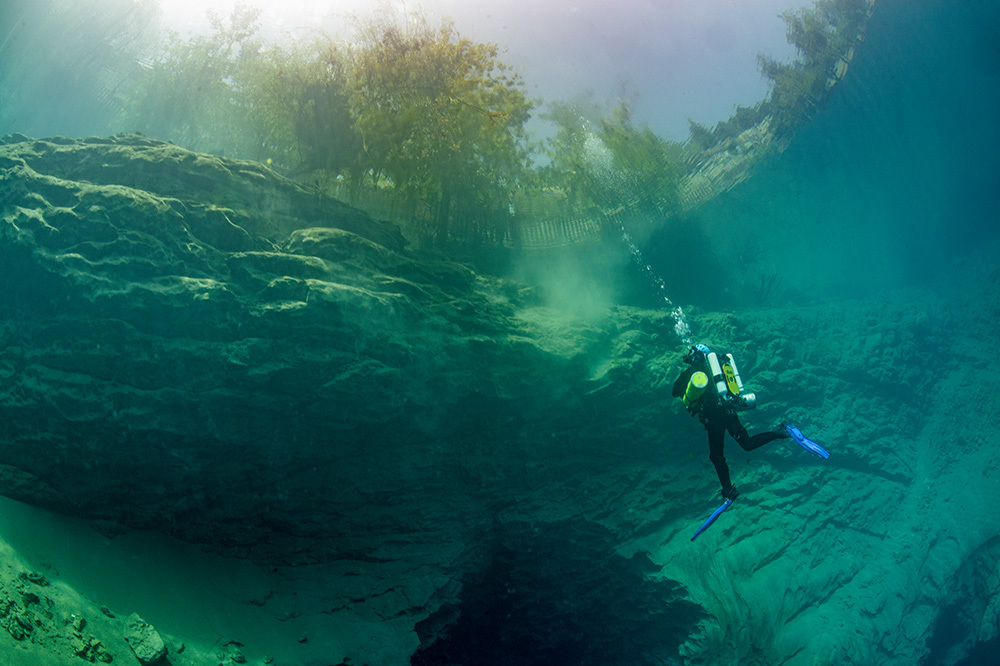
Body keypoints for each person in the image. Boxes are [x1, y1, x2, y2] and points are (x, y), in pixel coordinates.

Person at [672, 344, 789, 501]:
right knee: (747, 444)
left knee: (716, 456)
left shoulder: (694, 372)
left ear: (696, 356)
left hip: (714, 420)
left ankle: (728, 490)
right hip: (729, 412)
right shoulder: (721, 366)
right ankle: (778, 433)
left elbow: (675, 391)